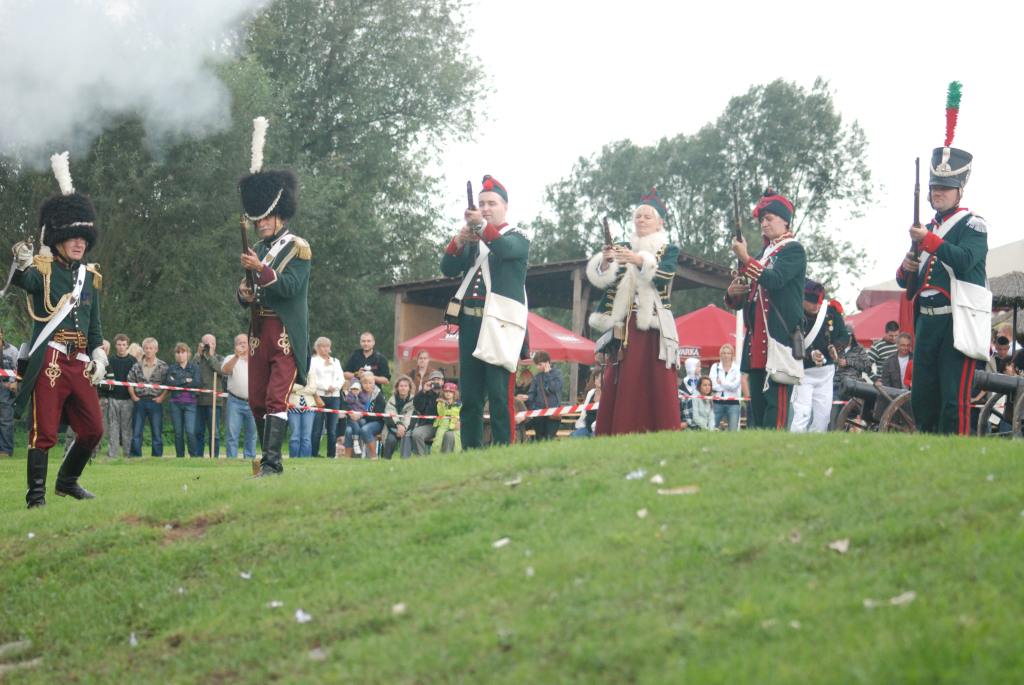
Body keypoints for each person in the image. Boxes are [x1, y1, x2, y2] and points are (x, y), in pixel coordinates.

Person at [10, 152, 108, 506]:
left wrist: (98, 353)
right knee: (44, 433)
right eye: (72, 237)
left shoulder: (90, 277)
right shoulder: (44, 269)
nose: (79, 243)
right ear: (58, 238)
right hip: (50, 359)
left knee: (94, 429)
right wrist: (21, 262)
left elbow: (95, 326)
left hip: (79, 361)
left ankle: (67, 481)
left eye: (83, 238)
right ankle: (35, 497)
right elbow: (25, 280)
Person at [896, 137, 988, 434]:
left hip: (956, 320)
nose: (938, 193)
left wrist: (928, 241)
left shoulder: (973, 225)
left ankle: (956, 458)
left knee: (953, 400)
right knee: (923, 396)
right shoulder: (929, 230)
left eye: (945, 188)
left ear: (959, 191)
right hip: (927, 322)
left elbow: (964, 260)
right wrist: (906, 267)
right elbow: (906, 282)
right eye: (935, 187)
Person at [237, 117, 311, 476]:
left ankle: (272, 462)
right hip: (258, 333)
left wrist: (261, 272)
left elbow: (290, 288)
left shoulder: (298, 248)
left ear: (279, 214)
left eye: (265, 217)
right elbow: (253, 293)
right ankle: (268, 460)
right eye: (257, 219)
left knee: (275, 397)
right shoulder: (260, 249)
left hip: (283, 332)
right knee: (255, 401)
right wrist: (244, 291)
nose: (259, 223)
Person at [440, 175, 529, 448]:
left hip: (500, 324)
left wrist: (479, 226)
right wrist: (459, 238)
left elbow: (503, 249)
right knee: (471, 397)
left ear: (505, 206)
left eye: (491, 203)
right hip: (470, 323)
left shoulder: (518, 236)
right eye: (481, 203)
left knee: (500, 395)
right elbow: (448, 268)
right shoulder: (475, 239)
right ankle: (470, 451)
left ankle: (503, 450)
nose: (486, 207)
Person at [586, 189, 680, 436]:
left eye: (647, 216)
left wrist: (638, 260)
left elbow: (664, 277)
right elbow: (602, 278)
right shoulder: (622, 248)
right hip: (626, 323)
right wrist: (606, 261)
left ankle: (662, 428)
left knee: (657, 378)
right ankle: (620, 428)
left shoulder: (668, 249)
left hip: (655, 324)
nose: (641, 220)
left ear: (660, 223)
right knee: (623, 377)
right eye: (638, 216)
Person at [726, 189, 806, 430]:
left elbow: (775, 280)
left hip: (778, 341)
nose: (764, 223)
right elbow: (743, 300)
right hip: (756, 345)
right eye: (762, 219)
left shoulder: (793, 250)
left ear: (785, 221)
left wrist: (745, 258)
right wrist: (732, 293)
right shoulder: (763, 255)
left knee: (776, 415)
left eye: (770, 218)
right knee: (758, 414)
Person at [790, 280, 848, 433]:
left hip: (826, 373)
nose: (816, 306)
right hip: (803, 372)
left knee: (823, 417)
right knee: (802, 414)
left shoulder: (831, 311)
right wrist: (810, 354)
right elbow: (790, 344)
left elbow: (843, 335)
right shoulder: (794, 313)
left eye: (819, 302)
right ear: (803, 299)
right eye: (811, 302)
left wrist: (835, 348)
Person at [127, 337, 168, 456]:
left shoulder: (163, 366)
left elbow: (169, 385)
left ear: (156, 349)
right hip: (140, 401)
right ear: (143, 349)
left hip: (155, 402)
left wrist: (161, 398)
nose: (148, 350)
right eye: (146, 348)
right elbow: (129, 382)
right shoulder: (136, 366)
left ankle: (156, 456)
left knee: (156, 431)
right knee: (137, 431)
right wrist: (134, 397)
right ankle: (135, 455)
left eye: (151, 348)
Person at [221, 334, 259, 459]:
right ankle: (231, 461)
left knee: (252, 435)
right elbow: (225, 371)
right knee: (232, 434)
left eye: (245, 342)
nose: (243, 344)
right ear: (235, 346)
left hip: (253, 402)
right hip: (235, 402)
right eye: (239, 343)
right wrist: (237, 356)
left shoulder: (257, 359)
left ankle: (249, 460)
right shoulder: (230, 358)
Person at [830, 326, 872, 428]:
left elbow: (868, 368)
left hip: (853, 386)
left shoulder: (859, 349)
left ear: (852, 337)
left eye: (848, 336)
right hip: (835, 384)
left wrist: (849, 362)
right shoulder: (836, 348)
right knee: (833, 409)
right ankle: (833, 429)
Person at [165, 342, 202, 457]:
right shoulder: (171, 368)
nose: (180, 355)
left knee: (190, 432)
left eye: (183, 352)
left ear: (188, 354)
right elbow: (170, 383)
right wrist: (186, 380)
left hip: (191, 403)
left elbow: (196, 382)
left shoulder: (194, 367)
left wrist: (179, 381)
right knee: (178, 433)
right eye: (178, 352)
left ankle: (194, 456)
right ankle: (179, 457)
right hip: (175, 403)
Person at [309, 336, 343, 457]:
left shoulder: (336, 361)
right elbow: (312, 379)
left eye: (327, 346)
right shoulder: (313, 361)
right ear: (317, 348)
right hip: (319, 397)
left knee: (332, 430)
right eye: (322, 346)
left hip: (335, 397)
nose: (325, 349)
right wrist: (325, 387)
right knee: (317, 429)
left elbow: (341, 378)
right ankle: (314, 454)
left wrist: (334, 387)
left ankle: (331, 455)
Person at [193, 333, 225, 457]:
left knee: (214, 433)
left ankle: (214, 456)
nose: (207, 346)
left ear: (215, 345)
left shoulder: (220, 358)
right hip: (199, 400)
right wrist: (198, 354)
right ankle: (198, 457)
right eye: (205, 343)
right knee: (198, 432)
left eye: (210, 343)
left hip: (214, 401)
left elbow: (220, 370)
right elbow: (192, 369)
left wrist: (211, 356)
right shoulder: (198, 358)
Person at [340, 372, 385, 458]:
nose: (367, 385)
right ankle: (347, 458)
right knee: (348, 430)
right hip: (357, 420)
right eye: (365, 383)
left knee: (365, 429)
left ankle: (373, 457)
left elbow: (379, 414)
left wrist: (361, 415)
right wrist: (350, 414)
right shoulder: (356, 391)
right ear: (361, 383)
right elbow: (346, 405)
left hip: (375, 422)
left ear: (374, 383)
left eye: (370, 383)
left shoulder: (378, 395)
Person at [105, 334, 136, 458]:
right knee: (113, 427)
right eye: (119, 344)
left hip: (128, 399)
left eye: (124, 345)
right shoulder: (110, 361)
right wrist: (107, 396)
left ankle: (127, 453)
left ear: (127, 345)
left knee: (127, 428)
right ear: (115, 345)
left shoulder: (133, 361)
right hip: (113, 398)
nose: (121, 347)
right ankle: (113, 454)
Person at [523, 351, 563, 441]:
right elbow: (532, 393)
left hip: (553, 413)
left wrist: (547, 374)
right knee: (539, 439)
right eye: (536, 364)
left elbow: (554, 388)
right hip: (539, 414)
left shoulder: (557, 374)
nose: (537, 367)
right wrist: (527, 399)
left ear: (547, 362)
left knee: (549, 439)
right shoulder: (537, 377)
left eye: (540, 364)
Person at [286, 363, 320, 458]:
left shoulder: (311, 370)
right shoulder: (290, 369)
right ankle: (293, 458)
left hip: (309, 406)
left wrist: (296, 390)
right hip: (293, 407)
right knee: (294, 436)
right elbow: (288, 387)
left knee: (306, 437)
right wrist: (304, 385)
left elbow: (312, 389)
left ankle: (305, 460)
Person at [409, 369, 444, 455]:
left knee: (449, 436)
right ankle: (421, 460)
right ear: (430, 382)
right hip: (429, 425)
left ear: (442, 381)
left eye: (438, 379)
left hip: (445, 425)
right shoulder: (425, 393)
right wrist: (423, 391)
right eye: (433, 380)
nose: (436, 382)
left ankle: (445, 459)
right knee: (416, 434)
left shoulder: (448, 392)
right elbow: (418, 406)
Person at [709, 343, 742, 431]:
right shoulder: (715, 367)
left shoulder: (738, 368)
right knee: (712, 428)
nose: (726, 355)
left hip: (733, 403)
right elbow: (713, 386)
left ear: (732, 355)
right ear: (720, 354)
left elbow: (735, 386)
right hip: (717, 402)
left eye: (728, 353)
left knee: (733, 431)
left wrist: (722, 382)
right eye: (724, 353)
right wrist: (728, 384)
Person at [382, 374, 415, 459]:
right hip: (393, 428)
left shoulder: (414, 401)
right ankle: (385, 462)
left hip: (407, 429)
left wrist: (403, 427)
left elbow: (411, 416)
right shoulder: (391, 400)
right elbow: (389, 418)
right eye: (401, 386)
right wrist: (398, 426)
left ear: (409, 388)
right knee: (390, 440)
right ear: (397, 388)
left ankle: (405, 463)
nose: (403, 388)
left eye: (405, 386)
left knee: (408, 437)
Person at [0, 326, 18, 457]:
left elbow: (18, 369)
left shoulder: (12, 350)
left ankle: (6, 450)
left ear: (2, 334)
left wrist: (14, 382)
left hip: (7, 387)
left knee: (6, 420)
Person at [571, 368, 601, 437]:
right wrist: (579, 425)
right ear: (594, 380)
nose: (599, 380)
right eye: (597, 377)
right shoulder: (590, 393)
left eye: (601, 377)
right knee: (574, 436)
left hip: (598, 428)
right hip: (586, 427)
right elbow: (584, 412)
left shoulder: (607, 395)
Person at [433, 382, 462, 453]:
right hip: (443, 424)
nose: (448, 393)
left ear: (455, 393)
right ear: (443, 393)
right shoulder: (440, 403)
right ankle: (434, 457)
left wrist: (459, 422)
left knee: (457, 442)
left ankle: (456, 457)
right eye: (446, 391)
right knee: (437, 442)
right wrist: (443, 404)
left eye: (451, 392)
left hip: (455, 425)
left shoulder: (459, 404)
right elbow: (441, 413)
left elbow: (461, 415)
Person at [678, 357, 701, 431]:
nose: (700, 368)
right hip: (687, 415)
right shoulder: (685, 383)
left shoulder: (701, 380)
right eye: (698, 366)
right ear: (692, 367)